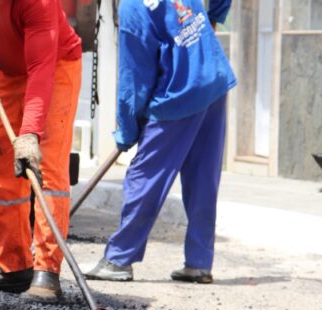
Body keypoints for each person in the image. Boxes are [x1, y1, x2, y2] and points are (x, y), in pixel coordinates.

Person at [84, 0, 236, 284]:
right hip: (213, 79)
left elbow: (134, 80)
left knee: (145, 176)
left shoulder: (132, 9)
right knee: (203, 179)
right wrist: (214, 16)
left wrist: (127, 130)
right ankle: (199, 264)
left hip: (179, 94)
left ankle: (118, 259)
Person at [0, 0, 82, 302]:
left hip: (55, 66)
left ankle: (47, 274)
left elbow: (41, 70)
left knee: (45, 169)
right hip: (6, 70)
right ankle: (14, 267)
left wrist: (30, 133)